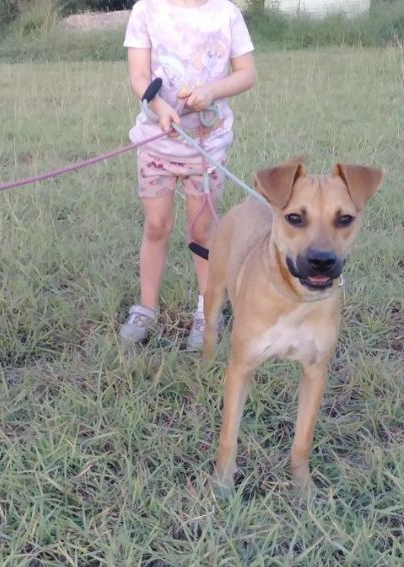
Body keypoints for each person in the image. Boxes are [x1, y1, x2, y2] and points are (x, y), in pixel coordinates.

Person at [119, 0, 257, 350]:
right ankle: (146, 307)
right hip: (156, 145)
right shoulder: (146, 10)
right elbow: (139, 74)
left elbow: (246, 73)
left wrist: (212, 90)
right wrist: (159, 106)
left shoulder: (227, 13)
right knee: (156, 226)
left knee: (202, 230)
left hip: (206, 148)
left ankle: (206, 308)